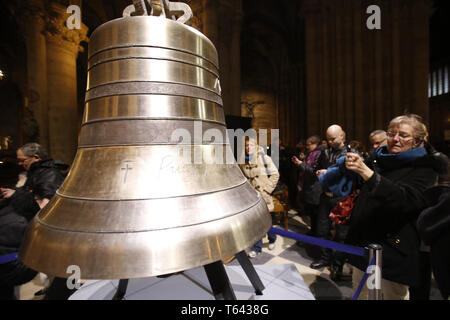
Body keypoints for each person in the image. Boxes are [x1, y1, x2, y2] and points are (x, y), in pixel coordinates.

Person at [344, 114, 448, 300]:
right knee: (361, 294)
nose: (395, 139)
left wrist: (368, 174)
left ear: (417, 140)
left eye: (403, 135)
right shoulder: (379, 159)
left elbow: (407, 199)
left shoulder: (425, 167)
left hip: (393, 247)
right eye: (391, 134)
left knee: (391, 296)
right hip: (364, 243)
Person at [310, 125, 353, 272]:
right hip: (326, 196)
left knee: (342, 233)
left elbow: (352, 175)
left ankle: (338, 263)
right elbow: (315, 167)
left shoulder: (351, 153)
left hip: (342, 198)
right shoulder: (325, 152)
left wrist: (327, 173)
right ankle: (324, 258)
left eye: (333, 139)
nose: (330, 142)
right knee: (322, 230)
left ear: (342, 136)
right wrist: (318, 172)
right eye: (328, 139)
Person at [239, 138, 280, 258]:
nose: (248, 148)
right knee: (256, 222)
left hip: (263, 193)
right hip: (252, 195)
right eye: (246, 146)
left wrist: (267, 189)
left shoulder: (264, 158)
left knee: (266, 221)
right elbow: (243, 177)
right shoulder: (242, 161)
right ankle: (257, 248)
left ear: (256, 146)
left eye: (251, 145)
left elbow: (275, 174)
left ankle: (272, 238)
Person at [291, 135, 324, 235]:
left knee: (317, 214)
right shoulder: (312, 153)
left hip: (316, 187)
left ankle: (317, 233)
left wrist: (301, 163)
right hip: (310, 187)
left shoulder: (319, 153)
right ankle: (313, 230)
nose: (307, 147)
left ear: (315, 144)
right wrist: (300, 162)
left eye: (309, 145)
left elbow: (314, 171)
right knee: (313, 213)